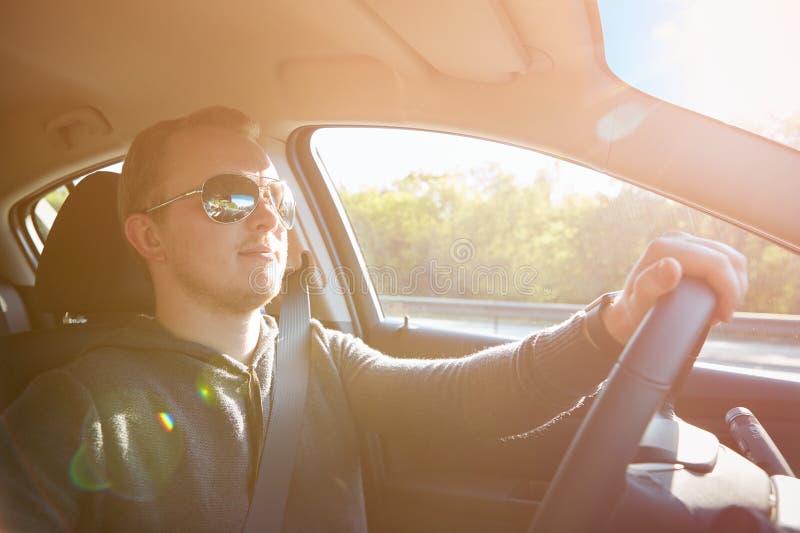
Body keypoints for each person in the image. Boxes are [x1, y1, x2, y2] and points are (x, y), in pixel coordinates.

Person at [0, 107, 748, 532]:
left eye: (273, 195)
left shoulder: (319, 357)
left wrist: (613, 322)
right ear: (148, 235)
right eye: (228, 195)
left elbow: (473, 398)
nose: (266, 214)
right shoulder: (76, 408)